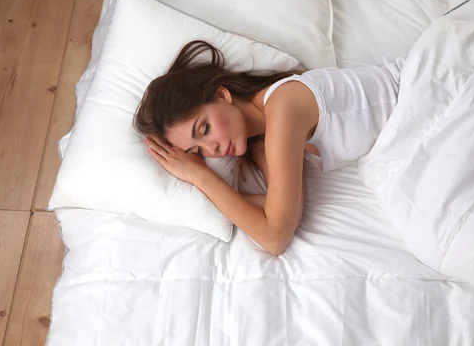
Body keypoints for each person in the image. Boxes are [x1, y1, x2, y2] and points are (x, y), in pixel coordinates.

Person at [134, 40, 401, 255]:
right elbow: (284, 213)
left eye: (204, 129)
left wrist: (201, 177)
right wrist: (206, 191)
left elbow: (275, 237)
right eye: (197, 152)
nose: (211, 149)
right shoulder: (261, 143)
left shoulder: (283, 108)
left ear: (221, 95)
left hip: (419, 96)